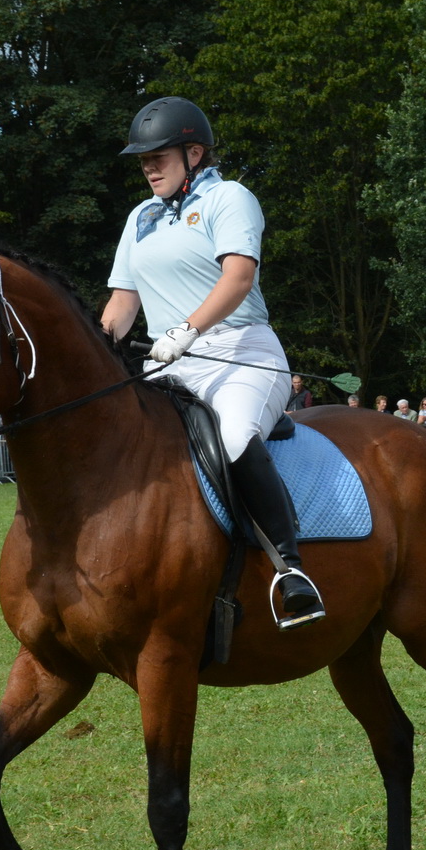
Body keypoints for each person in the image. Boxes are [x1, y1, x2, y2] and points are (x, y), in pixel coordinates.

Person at [98, 95, 323, 627]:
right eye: (144, 160)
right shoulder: (140, 218)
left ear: (194, 152)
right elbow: (124, 302)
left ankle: (291, 571)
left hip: (240, 353)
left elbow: (238, 277)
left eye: (159, 156)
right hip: (168, 365)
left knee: (233, 438)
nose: (148, 167)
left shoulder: (230, 198)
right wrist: (98, 348)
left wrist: (186, 329)